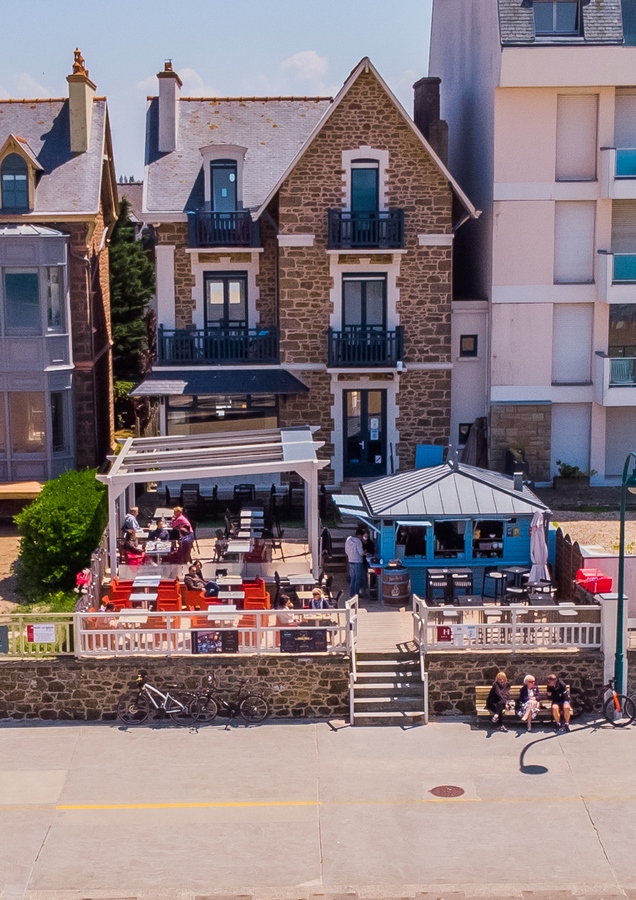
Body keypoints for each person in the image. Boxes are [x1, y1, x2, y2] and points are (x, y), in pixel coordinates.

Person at [345, 527, 365, 598]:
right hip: (358, 561)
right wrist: (364, 552)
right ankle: (356, 594)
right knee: (358, 578)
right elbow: (360, 553)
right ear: (359, 535)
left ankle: (351, 593)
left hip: (350, 561)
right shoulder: (358, 541)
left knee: (352, 578)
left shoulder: (348, 539)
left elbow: (346, 551)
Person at [360, 529, 376, 598]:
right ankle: (363, 589)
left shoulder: (370, 542)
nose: (366, 537)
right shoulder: (360, 542)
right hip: (361, 560)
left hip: (368, 560)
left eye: (367, 536)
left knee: (370, 574)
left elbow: (372, 551)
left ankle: (370, 587)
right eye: (365, 535)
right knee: (363, 575)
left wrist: (368, 552)